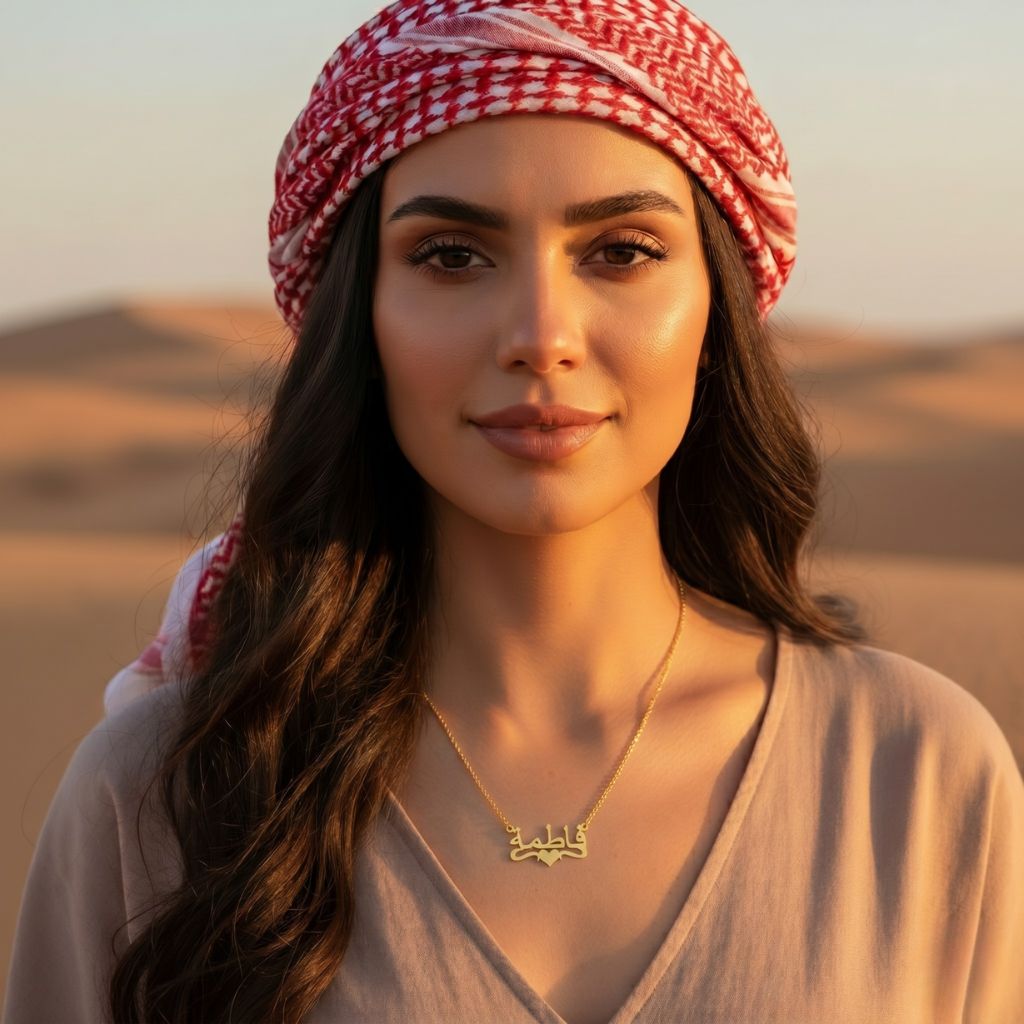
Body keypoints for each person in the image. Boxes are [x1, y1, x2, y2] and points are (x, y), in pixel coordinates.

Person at [4, 1, 1022, 1021]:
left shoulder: (917, 771)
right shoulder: (161, 792)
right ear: (358, 317)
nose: (541, 333)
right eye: (451, 255)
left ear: (715, 305)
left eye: (621, 251)